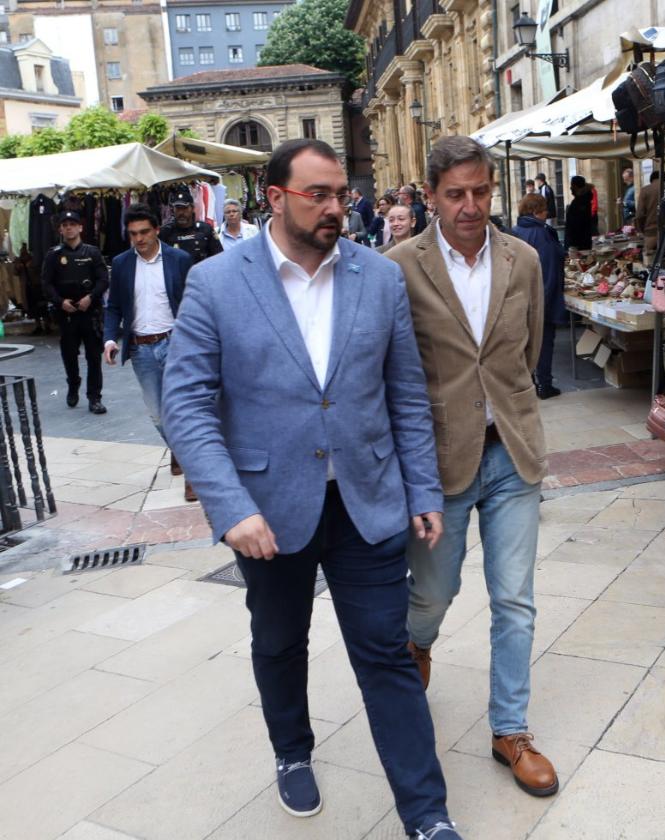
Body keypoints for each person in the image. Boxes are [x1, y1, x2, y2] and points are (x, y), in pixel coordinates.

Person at [160, 138, 460, 840]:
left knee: (385, 653)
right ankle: (292, 752)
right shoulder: (215, 282)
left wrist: (423, 489)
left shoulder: (378, 278)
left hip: (367, 500)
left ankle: (427, 814)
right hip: (268, 508)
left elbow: (406, 396)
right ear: (275, 198)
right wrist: (231, 509)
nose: (336, 207)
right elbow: (188, 406)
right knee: (279, 640)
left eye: (339, 194)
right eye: (318, 194)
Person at [387, 135, 558, 799]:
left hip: (513, 451)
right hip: (439, 461)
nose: (470, 205)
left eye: (480, 191)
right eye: (455, 193)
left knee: (515, 599)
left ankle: (510, 730)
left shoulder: (522, 259)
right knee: (433, 593)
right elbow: (390, 371)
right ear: (429, 195)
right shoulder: (398, 266)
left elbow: (527, 350)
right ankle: (417, 645)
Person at [103, 203, 197, 502]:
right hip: (140, 348)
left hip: (175, 343)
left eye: (144, 232)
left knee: (182, 409)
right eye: (133, 234)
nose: (139, 239)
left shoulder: (179, 259)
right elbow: (114, 306)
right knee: (158, 415)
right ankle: (180, 450)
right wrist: (109, 339)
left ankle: (194, 472)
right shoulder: (121, 263)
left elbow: (192, 302)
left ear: (157, 229)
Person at [41, 210, 108, 413]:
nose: (69, 227)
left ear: (80, 227)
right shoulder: (54, 255)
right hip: (67, 314)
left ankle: (94, 397)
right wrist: (60, 302)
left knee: (94, 357)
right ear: (60, 229)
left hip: (90, 312)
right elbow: (46, 284)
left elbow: (104, 280)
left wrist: (91, 297)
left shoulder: (92, 253)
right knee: (69, 355)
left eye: (73, 224)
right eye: (65, 224)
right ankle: (73, 383)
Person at [511, 193, 566, 400]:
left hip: (518, 297)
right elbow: (549, 271)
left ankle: (530, 383)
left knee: (525, 343)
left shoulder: (515, 232)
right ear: (536, 212)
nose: (547, 214)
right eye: (544, 210)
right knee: (543, 342)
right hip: (540, 297)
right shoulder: (543, 234)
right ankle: (544, 384)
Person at [160, 190, 223, 265]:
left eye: (185, 208)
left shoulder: (205, 230)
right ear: (173, 210)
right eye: (178, 208)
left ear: (192, 208)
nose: (181, 212)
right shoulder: (166, 232)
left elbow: (219, 257)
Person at [635, 171, 662, 257]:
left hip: (651, 231)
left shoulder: (645, 190)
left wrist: (642, 230)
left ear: (651, 179)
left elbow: (639, 215)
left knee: (649, 261)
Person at [564, 175, 593, 250]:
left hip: (578, 242)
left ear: (576, 186)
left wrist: (572, 243)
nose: (570, 188)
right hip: (581, 240)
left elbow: (577, 224)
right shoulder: (582, 200)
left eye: (572, 185)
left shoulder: (580, 202)